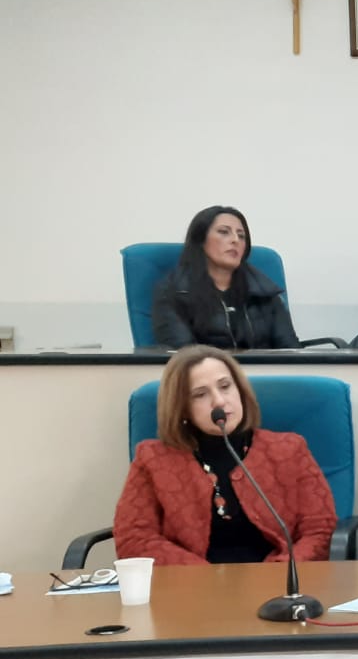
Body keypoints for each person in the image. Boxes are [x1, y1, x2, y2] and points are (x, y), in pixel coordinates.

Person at [113, 346, 337, 565]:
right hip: (191, 585)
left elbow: (318, 529)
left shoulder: (289, 449)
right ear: (182, 408)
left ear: (240, 390)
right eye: (200, 394)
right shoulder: (153, 459)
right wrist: (206, 578)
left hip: (276, 581)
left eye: (225, 386)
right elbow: (134, 538)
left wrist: (278, 573)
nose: (219, 401)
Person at [151, 206, 301, 350]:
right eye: (224, 232)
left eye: (241, 236)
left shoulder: (265, 292)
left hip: (263, 368)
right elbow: (184, 355)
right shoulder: (174, 292)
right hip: (203, 368)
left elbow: (290, 351)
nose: (235, 240)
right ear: (200, 240)